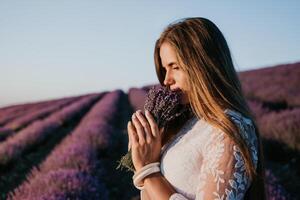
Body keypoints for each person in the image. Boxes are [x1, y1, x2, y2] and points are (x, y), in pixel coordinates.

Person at [127, 17, 266, 200]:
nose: (167, 80)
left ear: (203, 66)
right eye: (164, 69)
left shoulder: (231, 129)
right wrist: (144, 155)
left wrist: (148, 171)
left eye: (174, 67)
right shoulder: (187, 123)